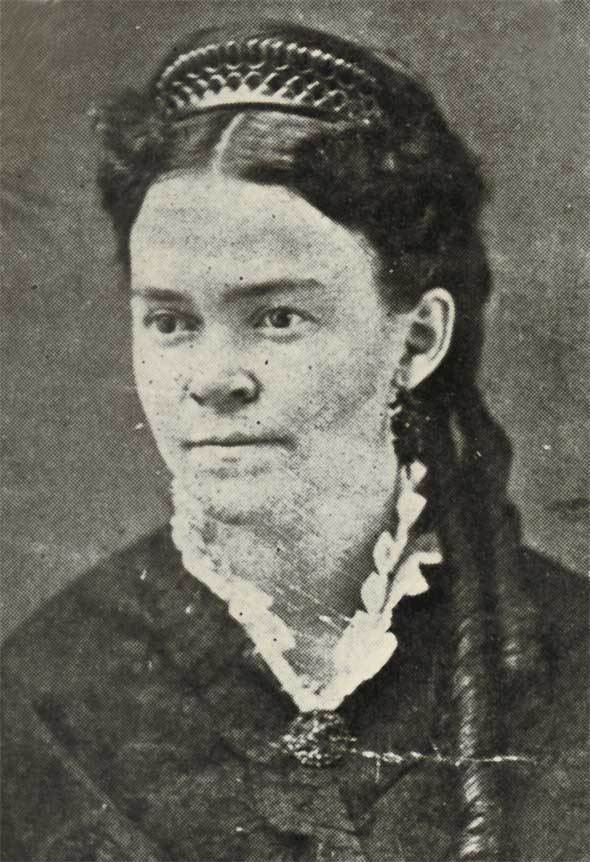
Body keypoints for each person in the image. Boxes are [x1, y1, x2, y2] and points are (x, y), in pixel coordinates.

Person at [2, 21, 588, 862]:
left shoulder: (570, 660)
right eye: (170, 322)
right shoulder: (46, 690)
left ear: (418, 340)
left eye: (278, 317)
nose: (214, 378)